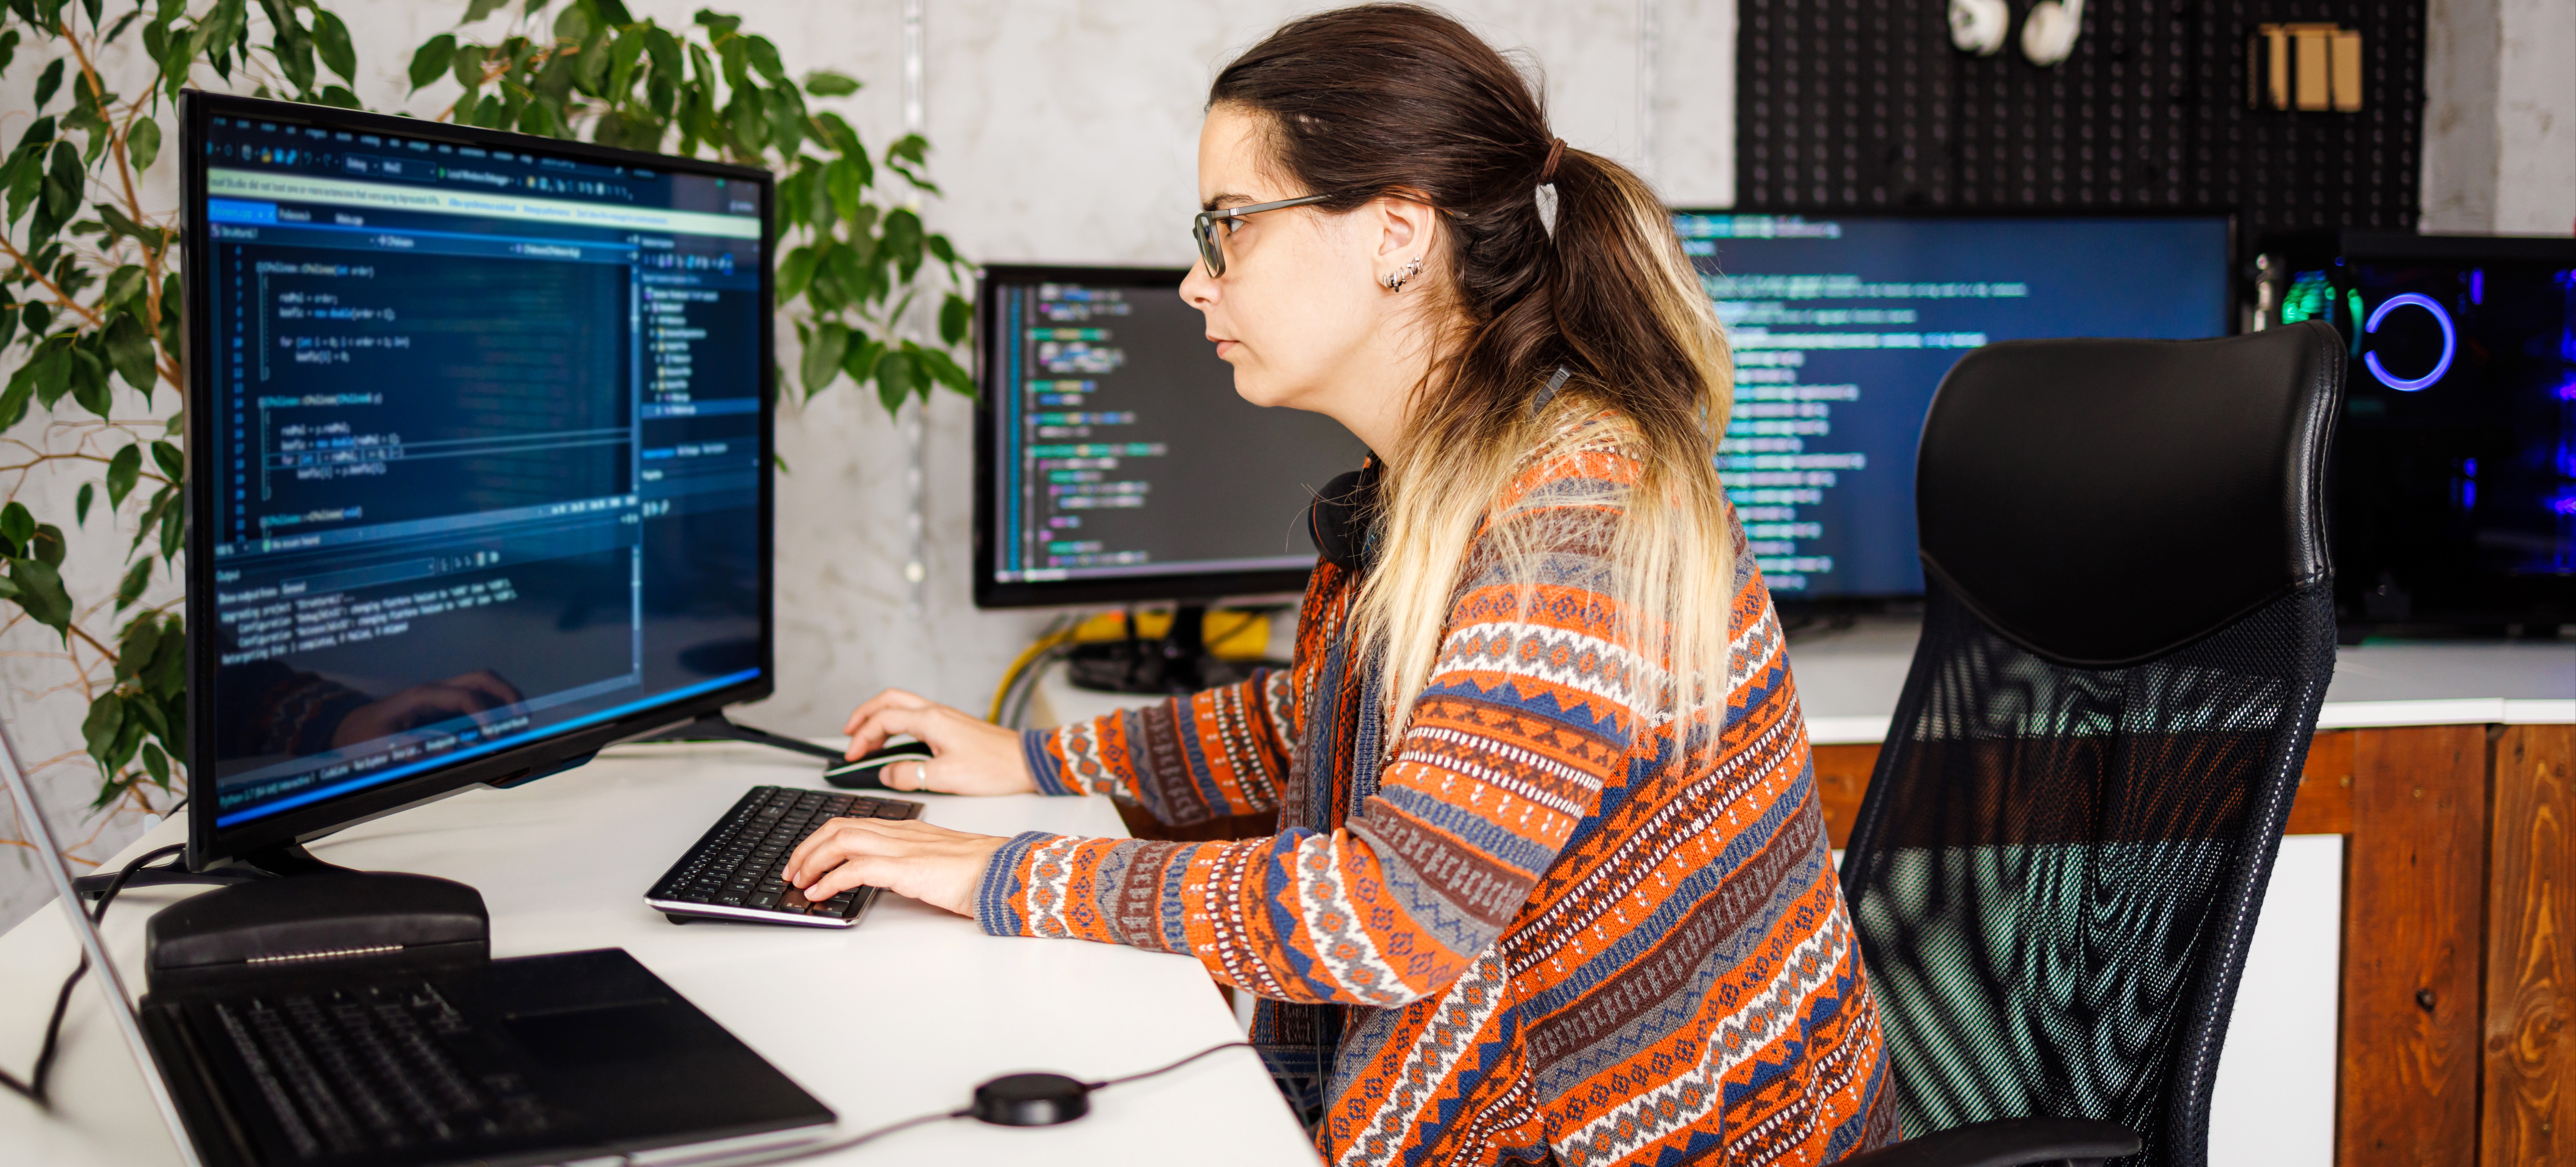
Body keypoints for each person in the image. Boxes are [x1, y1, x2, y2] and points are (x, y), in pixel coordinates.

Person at [786, 5, 1895, 1162]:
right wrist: (1032, 760)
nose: (1192, 280)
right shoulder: (1457, 471)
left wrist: (1010, 872)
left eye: (1227, 227)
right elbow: (1323, 718)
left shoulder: (1574, 519)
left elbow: (1394, 913)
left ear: (1397, 234)